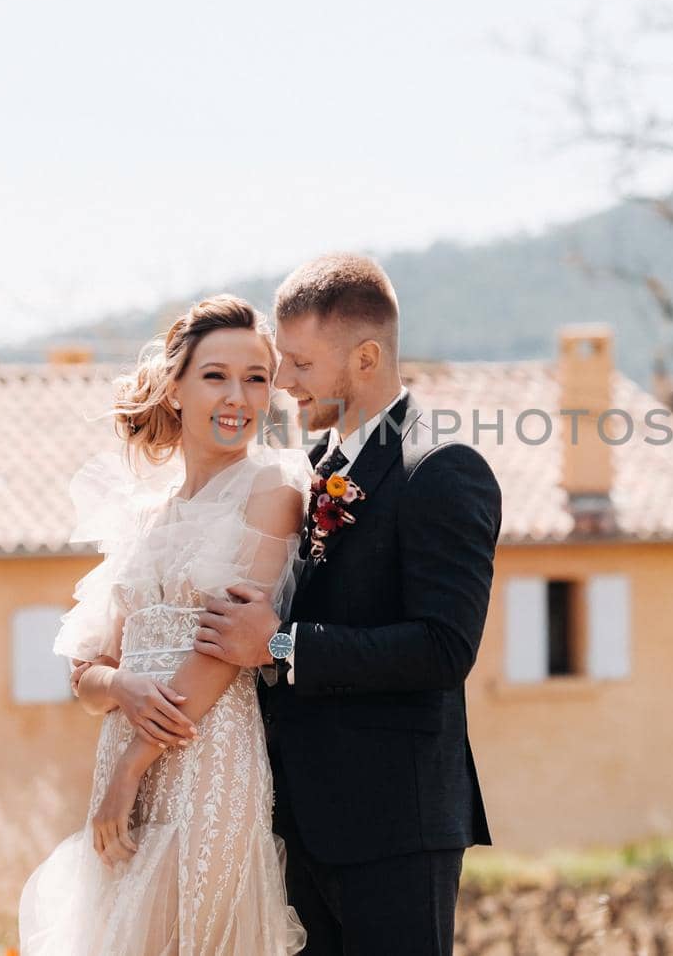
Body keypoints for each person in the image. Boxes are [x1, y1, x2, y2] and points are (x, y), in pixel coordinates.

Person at [195, 253, 502, 955]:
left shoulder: (443, 467)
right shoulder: (302, 470)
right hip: (292, 821)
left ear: (366, 357)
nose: (281, 382)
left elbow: (443, 645)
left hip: (395, 825)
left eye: (300, 363)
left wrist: (278, 645)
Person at [19, 294, 310, 955]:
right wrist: (122, 689)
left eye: (256, 377)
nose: (237, 395)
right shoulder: (141, 519)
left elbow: (228, 646)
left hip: (208, 762)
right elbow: (85, 674)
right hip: (126, 769)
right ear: (175, 387)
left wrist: (131, 764)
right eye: (215, 375)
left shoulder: (272, 488)